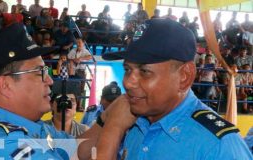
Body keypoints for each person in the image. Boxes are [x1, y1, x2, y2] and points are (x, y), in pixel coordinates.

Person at [96, 18, 253, 159]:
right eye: (128, 70)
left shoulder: (219, 147)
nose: (128, 82)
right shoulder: (135, 123)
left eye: (144, 71)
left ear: (184, 76)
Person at [0, 23, 127, 160]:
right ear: (6, 85)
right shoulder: (6, 144)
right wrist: (116, 126)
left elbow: (77, 147)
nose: (49, 80)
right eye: (39, 72)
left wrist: (107, 117)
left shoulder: (32, 126)